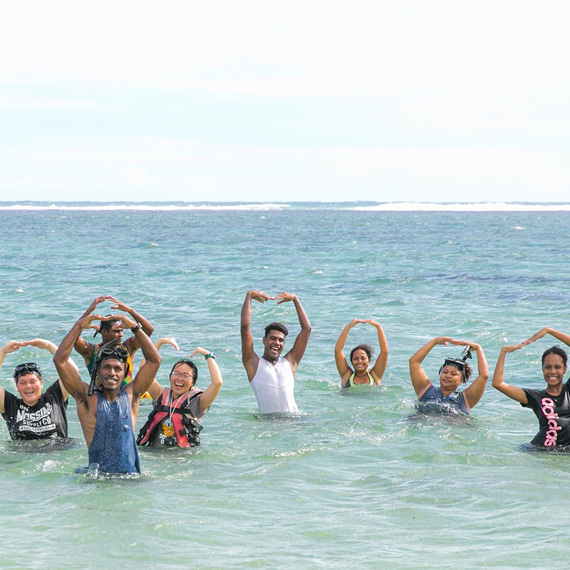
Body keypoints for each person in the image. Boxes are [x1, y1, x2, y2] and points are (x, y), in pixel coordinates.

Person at [53, 311, 161, 475]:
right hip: (97, 479)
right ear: (97, 372)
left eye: (117, 369)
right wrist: (79, 325)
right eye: (106, 368)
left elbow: (155, 360)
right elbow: (59, 360)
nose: (112, 373)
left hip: (130, 477)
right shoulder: (86, 399)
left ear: (125, 374)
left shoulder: (132, 396)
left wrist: (133, 326)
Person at [492, 327, 570, 448]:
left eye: (557, 367)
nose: (552, 371)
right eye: (548, 367)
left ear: (565, 369)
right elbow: (498, 383)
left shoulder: (569, 390)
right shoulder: (535, 396)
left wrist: (550, 331)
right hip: (540, 453)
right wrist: (503, 352)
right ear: (542, 369)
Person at [241, 290, 311, 414]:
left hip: (294, 421)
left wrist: (295, 299)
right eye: (273, 338)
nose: (277, 343)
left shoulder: (290, 363)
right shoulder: (253, 364)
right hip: (268, 423)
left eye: (281, 340)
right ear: (264, 340)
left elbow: (307, 329)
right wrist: (249, 296)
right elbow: (245, 327)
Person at [137, 347, 222, 448]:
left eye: (186, 375)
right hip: (154, 455)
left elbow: (217, 383)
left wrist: (208, 355)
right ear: (170, 377)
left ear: (193, 382)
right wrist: (159, 344)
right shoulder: (160, 395)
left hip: (183, 458)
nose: (179, 378)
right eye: (176, 374)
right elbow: (144, 369)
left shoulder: (197, 402)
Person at [73, 295, 154, 387]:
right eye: (116, 331)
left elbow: (148, 330)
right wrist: (89, 312)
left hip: (126, 399)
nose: (121, 334)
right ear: (104, 332)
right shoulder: (91, 351)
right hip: (100, 400)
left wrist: (130, 311)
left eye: (121, 331)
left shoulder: (128, 347)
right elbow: (73, 338)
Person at [0, 338, 70, 440]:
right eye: (22, 383)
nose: (28, 386)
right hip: (22, 455)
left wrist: (49, 345)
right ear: (17, 386)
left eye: (33, 382)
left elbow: (71, 371)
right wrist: (3, 351)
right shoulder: (11, 405)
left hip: (60, 453)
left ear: (41, 383)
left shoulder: (55, 397)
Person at [409, 336, 489, 414]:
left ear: (462, 380)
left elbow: (484, 376)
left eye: (453, 374)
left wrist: (478, 348)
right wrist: (435, 341)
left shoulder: (466, 399)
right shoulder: (425, 389)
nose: (447, 376)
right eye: (445, 372)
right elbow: (414, 362)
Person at [334, 319, 388, 388]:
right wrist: (348, 327)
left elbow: (384, 352)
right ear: (351, 361)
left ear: (369, 361)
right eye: (356, 358)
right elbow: (338, 351)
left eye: (363, 358)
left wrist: (378, 327)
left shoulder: (375, 375)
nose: (359, 361)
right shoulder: (346, 375)